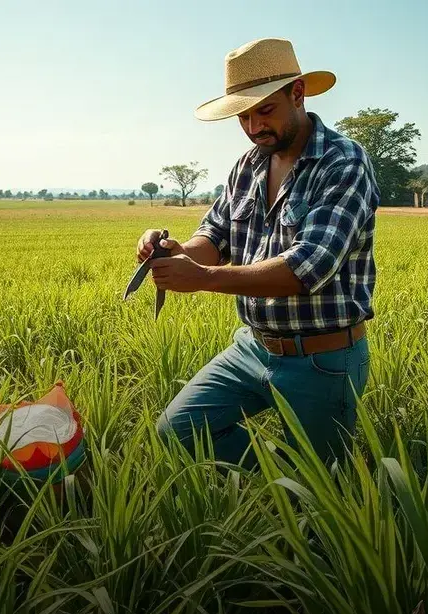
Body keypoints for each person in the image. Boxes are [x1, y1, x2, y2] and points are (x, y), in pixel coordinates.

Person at [137, 37, 379, 469]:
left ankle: (305, 478)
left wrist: (204, 279)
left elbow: (306, 268)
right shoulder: (248, 165)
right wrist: (176, 252)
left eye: (264, 110)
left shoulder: (343, 163)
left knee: (322, 486)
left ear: (297, 93)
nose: (253, 127)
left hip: (321, 359)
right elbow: (214, 237)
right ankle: (282, 473)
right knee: (178, 432)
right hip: (251, 348)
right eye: (243, 116)